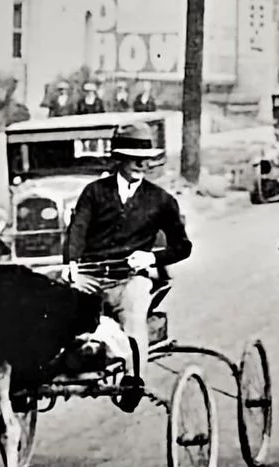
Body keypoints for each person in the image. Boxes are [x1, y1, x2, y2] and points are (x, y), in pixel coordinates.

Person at [62, 121, 192, 374]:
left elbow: (183, 247)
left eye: (145, 160)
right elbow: (78, 228)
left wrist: (151, 259)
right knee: (56, 314)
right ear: (120, 159)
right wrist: (72, 265)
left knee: (133, 321)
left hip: (130, 279)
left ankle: (134, 380)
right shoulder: (94, 192)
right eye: (134, 159)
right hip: (91, 276)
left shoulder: (161, 200)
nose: (141, 166)